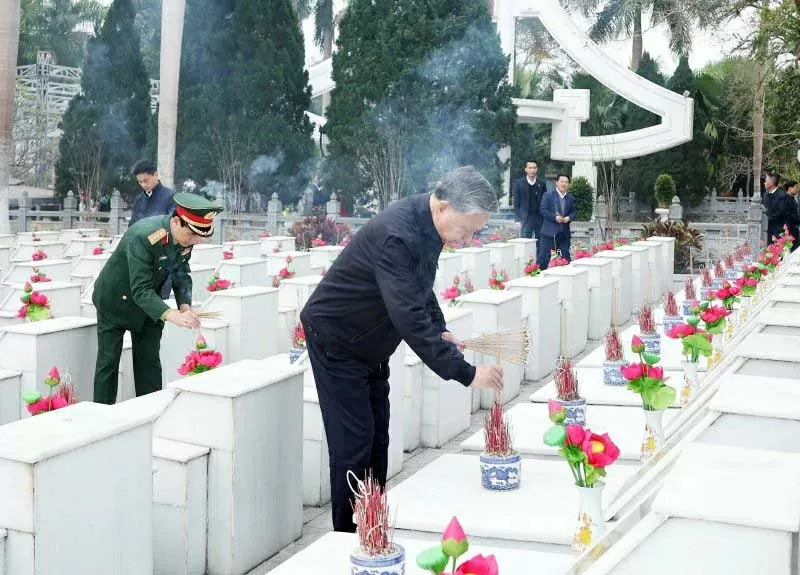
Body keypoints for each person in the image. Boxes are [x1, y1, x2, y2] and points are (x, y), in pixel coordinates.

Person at [300, 166, 505, 533]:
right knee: (354, 442)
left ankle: (372, 522)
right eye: (466, 228)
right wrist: (467, 373)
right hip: (337, 339)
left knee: (378, 435)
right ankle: (349, 537)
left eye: (474, 231)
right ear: (444, 207)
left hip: (369, 342)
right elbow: (408, 316)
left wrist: (440, 331)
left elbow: (420, 289)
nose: (468, 238)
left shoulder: (428, 225)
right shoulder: (398, 235)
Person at [92, 193, 223, 404]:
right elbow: (140, 289)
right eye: (192, 235)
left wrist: (184, 306)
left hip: (150, 305)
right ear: (176, 222)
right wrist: (171, 315)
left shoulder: (185, 237)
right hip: (116, 301)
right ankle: (101, 414)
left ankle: (149, 412)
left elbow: (181, 273)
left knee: (150, 363)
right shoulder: (144, 237)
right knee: (108, 363)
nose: (195, 241)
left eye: (200, 237)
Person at [131, 160, 178, 299]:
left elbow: (171, 226)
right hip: (141, 258)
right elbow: (133, 227)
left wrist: (149, 241)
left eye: (146, 180)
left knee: (160, 300)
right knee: (141, 297)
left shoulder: (171, 197)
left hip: (163, 257)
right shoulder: (139, 200)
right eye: (140, 182)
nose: (143, 185)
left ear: (156, 175)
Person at [537, 173, 575, 270]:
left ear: (568, 184)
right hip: (549, 233)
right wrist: (555, 217)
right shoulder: (548, 195)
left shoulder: (570, 198)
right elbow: (543, 210)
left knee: (566, 259)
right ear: (557, 182)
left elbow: (573, 212)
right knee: (544, 259)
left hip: (564, 234)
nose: (564, 184)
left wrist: (569, 218)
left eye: (566, 182)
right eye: (562, 181)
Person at [512, 160, 547, 253]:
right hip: (525, 218)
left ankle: (540, 261)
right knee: (525, 243)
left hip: (539, 218)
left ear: (537, 169)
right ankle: (526, 261)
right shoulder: (519, 183)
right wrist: (517, 220)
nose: (532, 170)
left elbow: (544, 202)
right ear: (526, 169)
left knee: (541, 243)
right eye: (530, 168)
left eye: (534, 168)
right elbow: (516, 203)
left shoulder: (542, 183)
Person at [762, 172, 789, 245]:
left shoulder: (782, 196)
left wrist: (767, 219)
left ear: (772, 183)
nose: (764, 183)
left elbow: (781, 212)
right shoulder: (765, 195)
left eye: (766, 181)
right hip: (765, 230)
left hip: (778, 231)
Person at [783, 180, 799, 251]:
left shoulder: (792, 198)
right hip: (788, 229)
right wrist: (786, 229)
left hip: (794, 228)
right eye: (796, 188)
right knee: (789, 250)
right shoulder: (785, 198)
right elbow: (786, 214)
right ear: (790, 188)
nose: (797, 190)